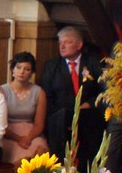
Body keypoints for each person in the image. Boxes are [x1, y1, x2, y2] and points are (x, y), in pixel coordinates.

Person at [39, 26, 104, 165]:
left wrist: (90, 104)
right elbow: (46, 97)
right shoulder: (51, 66)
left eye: (67, 42)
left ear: (79, 44)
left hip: (88, 119)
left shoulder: (93, 64)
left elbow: (103, 91)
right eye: (60, 43)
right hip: (60, 122)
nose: (62, 46)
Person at [0, 51, 49, 167]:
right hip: (8, 133)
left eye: (27, 69)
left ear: (31, 73)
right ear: (12, 70)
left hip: (31, 133)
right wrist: (18, 139)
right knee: (18, 160)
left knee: (41, 150)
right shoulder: (2, 91)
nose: (22, 72)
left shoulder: (39, 92)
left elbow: (39, 124)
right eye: (18, 67)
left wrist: (28, 138)